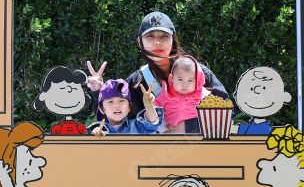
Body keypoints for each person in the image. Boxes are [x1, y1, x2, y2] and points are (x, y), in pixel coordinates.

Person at [86, 12, 227, 123]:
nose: (158, 42)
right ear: (140, 42)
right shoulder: (135, 82)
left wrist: (187, 127)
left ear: (173, 39)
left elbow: (226, 111)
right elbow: (114, 122)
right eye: (150, 36)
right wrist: (98, 92)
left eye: (164, 36)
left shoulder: (198, 73)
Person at [154, 55, 209, 134]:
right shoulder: (166, 94)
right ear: (172, 79)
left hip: (195, 134)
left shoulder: (203, 95)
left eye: (190, 80)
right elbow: (155, 108)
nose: (185, 85)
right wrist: (149, 104)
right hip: (170, 133)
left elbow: (213, 116)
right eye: (180, 79)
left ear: (197, 80)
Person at [232, 66, 292, 135]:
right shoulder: (251, 125)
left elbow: (257, 131)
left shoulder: (264, 129)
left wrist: (236, 129)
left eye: (264, 88)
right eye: (251, 89)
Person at [90, 78, 162, 136]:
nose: (117, 105)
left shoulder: (137, 125)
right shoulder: (99, 130)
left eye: (121, 100)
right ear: (102, 109)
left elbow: (151, 124)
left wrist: (148, 105)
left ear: (129, 107)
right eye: (110, 102)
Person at [32, 66, 90, 135]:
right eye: (61, 89)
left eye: (74, 89)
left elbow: (83, 130)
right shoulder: (58, 127)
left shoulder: (78, 125)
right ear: (44, 96)